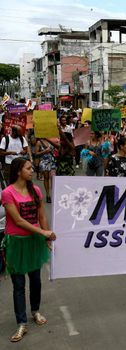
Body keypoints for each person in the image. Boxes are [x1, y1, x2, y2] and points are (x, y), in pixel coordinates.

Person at [1, 157, 56, 342]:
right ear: (18, 171)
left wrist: (45, 236)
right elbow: (18, 221)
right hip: (16, 243)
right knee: (18, 285)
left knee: (35, 280)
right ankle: (21, 323)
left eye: (32, 168)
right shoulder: (7, 193)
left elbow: (41, 216)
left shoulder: (36, 190)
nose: (32, 171)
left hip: (34, 242)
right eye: (28, 168)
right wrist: (43, 232)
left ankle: (35, 311)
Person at [34, 138, 56, 203]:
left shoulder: (53, 140)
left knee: (53, 177)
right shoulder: (39, 142)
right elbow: (36, 153)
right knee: (46, 178)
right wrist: (44, 151)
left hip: (52, 161)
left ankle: (54, 194)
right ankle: (48, 195)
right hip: (44, 161)